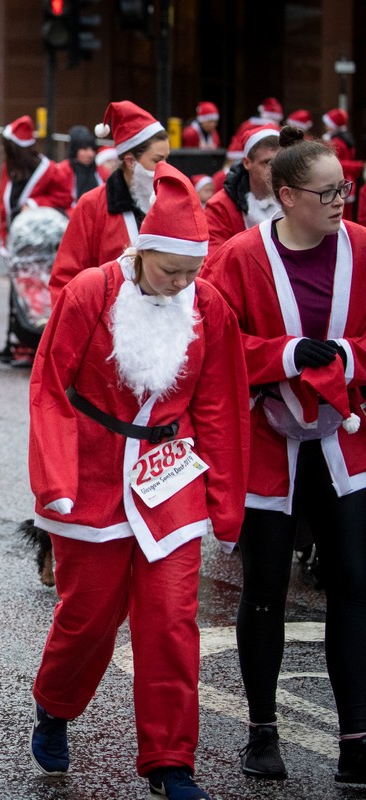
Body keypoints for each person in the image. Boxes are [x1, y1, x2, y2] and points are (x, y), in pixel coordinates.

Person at [28, 161, 249, 800]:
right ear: (142, 249)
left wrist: (226, 503)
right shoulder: (92, 293)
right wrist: (56, 478)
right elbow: (50, 387)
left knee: (171, 622)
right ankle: (56, 703)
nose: (183, 283)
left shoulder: (207, 304)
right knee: (88, 617)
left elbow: (220, 405)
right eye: (170, 269)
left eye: (192, 270)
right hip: (92, 473)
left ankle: (170, 762)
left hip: (171, 480)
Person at [204, 126, 366, 786]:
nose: (342, 201)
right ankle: (262, 730)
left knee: (355, 583)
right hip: (269, 444)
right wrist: (282, 355)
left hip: (343, 443)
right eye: (329, 192)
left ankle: (356, 739)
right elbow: (213, 343)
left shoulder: (362, 247)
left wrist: (349, 357)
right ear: (288, 195)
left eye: (346, 188)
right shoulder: (241, 255)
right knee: (265, 590)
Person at [50, 101, 170, 305]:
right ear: (131, 162)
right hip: (106, 327)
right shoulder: (93, 205)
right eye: (157, 160)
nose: (165, 168)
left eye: (168, 160)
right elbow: (66, 279)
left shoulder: (172, 200)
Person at [0, 115, 73, 251]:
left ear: (15, 149)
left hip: (39, 239)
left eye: (6, 147)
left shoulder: (48, 170)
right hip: (14, 236)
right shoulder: (8, 168)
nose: (2, 150)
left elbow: (64, 198)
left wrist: (34, 204)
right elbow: (3, 205)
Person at [204, 126, 280, 252]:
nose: (275, 170)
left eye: (279, 162)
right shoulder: (221, 207)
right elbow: (214, 260)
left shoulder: (297, 198)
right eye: (267, 163)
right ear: (247, 163)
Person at [322, 108, 363, 224]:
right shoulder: (346, 139)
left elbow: (336, 162)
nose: (326, 127)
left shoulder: (336, 142)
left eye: (327, 124)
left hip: (340, 181)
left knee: (341, 215)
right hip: (348, 181)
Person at [58, 125, 103, 207]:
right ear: (75, 150)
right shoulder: (63, 170)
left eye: (93, 149)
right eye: (85, 149)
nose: (90, 154)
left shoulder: (100, 171)